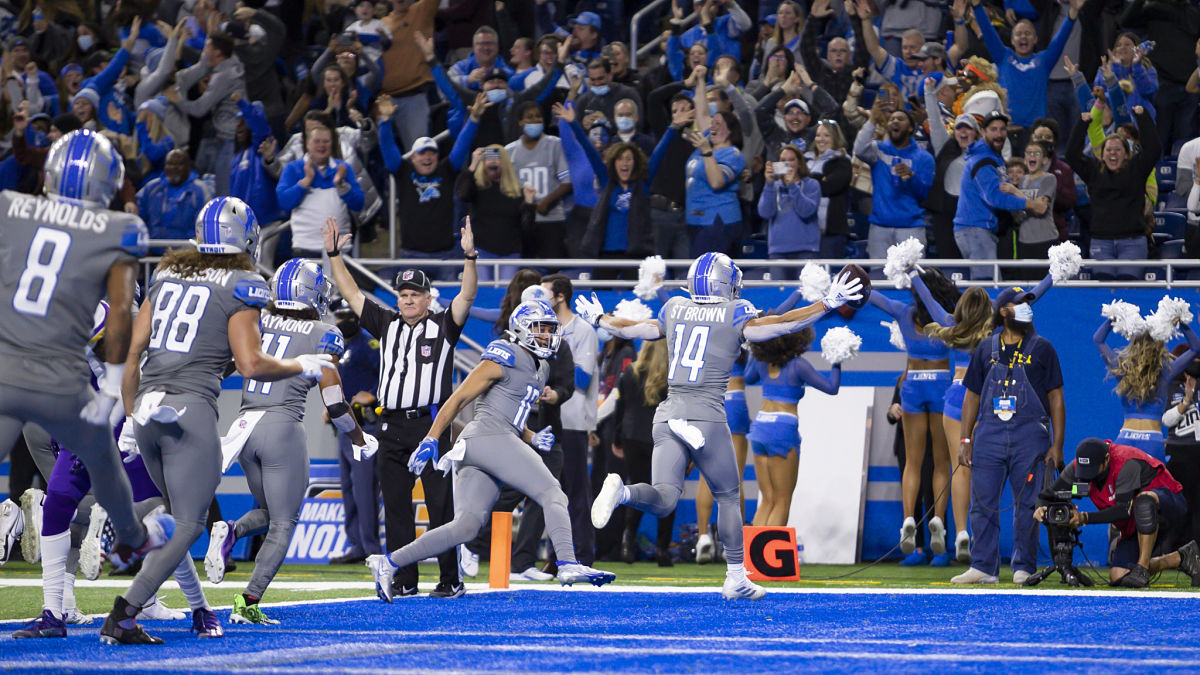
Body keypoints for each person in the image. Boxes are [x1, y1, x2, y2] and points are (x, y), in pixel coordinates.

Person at [103, 197, 336, 644]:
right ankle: (124, 609)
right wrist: (299, 365)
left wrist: (131, 417)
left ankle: (193, 606)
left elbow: (134, 351)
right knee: (188, 523)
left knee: (177, 515)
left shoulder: (167, 273)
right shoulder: (244, 283)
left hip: (149, 403)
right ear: (246, 238)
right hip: (189, 409)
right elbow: (251, 364)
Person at [585, 253, 867, 599]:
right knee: (728, 497)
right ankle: (735, 576)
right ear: (723, 282)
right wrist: (827, 303)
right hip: (706, 414)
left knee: (664, 498)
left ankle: (624, 492)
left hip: (668, 412)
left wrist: (600, 318)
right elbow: (782, 325)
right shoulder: (736, 311)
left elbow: (636, 329)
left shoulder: (675, 306)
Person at [0, 129, 171, 636]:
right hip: (84, 398)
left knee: (63, 501)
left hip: (17, 369)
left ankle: (66, 602)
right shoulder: (117, 234)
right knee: (143, 510)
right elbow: (116, 330)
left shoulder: (14, 207)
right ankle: (128, 581)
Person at [367, 300, 616, 599]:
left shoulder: (543, 366)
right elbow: (458, 398)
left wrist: (531, 437)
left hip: (491, 440)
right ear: (522, 329)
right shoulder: (505, 353)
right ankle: (567, 562)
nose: (548, 336)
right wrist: (431, 438)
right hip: (488, 437)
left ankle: (389, 562)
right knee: (553, 493)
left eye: (551, 329)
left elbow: (510, 413)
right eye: (541, 329)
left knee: (466, 527)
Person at [205, 259, 376, 625]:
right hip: (282, 427)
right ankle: (248, 602)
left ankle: (231, 530)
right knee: (285, 522)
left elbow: (226, 364)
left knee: (269, 512)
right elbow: (334, 403)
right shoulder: (323, 331)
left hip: (244, 426)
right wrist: (360, 438)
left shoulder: (257, 319)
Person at [323, 217, 476, 599]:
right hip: (390, 427)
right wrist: (333, 254)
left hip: (430, 426)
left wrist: (470, 257)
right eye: (403, 293)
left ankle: (449, 579)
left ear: (428, 298)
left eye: (415, 294)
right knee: (396, 508)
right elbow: (352, 292)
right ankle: (406, 579)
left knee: (441, 506)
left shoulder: (444, 325)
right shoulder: (386, 324)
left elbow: (468, 297)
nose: (408, 299)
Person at [953, 288, 1065, 585]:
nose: (1027, 308)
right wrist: (965, 439)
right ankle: (983, 566)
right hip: (988, 434)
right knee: (982, 501)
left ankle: (1023, 566)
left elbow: (1056, 398)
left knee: (1028, 504)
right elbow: (971, 398)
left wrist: (1057, 444)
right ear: (1004, 311)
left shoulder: (1043, 348)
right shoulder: (984, 349)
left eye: (1029, 304)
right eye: (1020, 305)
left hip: (1030, 436)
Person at [866, 268, 958, 561]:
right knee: (941, 462)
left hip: (913, 386)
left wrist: (852, 277)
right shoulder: (946, 317)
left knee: (913, 462)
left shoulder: (903, 312)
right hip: (940, 384)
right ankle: (939, 522)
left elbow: (871, 295)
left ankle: (908, 518)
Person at [1037, 438, 1200, 587]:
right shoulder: (1077, 467)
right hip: (1136, 522)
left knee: (1144, 502)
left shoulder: (1125, 462)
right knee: (1118, 576)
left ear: (1107, 459)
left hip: (1169, 505)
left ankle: (1142, 568)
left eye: (1092, 471)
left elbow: (1123, 511)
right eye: (1084, 472)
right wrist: (1040, 508)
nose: (1087, 477)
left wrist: (1083, 518)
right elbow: (1048, 495)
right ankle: (1182, 558)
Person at [745, 330, 842, 528]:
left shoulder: (762, 362)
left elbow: (748, 378)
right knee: (782, 500)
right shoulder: (799, 365)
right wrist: (837, 360)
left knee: (767, 499)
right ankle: (768, 558)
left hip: (760, 426)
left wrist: (753, 350)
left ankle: (751, 557)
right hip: (782, 428)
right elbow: (832, 387)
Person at [541, 274, 599, 569]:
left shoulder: (583, 330)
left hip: (574, 420)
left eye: (546, 294)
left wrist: (556, 356)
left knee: (576, 493)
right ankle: (557, 557)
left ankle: (583, 556)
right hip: (550, 420)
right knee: (553, 493)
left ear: (560, 297)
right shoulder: (543, 329)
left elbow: (584, 378)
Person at [1093, 303, 1200, 461]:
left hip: (1125, 439)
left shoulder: (1122, 370)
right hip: (1152, 440)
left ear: (1133, 344)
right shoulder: (1165, 372)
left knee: (1123, 485)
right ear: (1159, 346)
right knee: (1154, 486)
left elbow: (1098, 340)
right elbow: (1195, 348)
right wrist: (1181, 321)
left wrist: (1113, 317)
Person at [1066, 106, 1159, 281]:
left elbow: (1153, 149)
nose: (1113, 154)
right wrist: (1082, 124)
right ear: (1102, 154)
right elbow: (1071, 154)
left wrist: (1143, 118)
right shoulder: (1094, 171)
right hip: (1101, 242)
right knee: (1104, 287)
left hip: (1133, 242)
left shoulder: (1137, 169)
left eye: (1118, 150)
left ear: (1126, 154)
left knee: (1128, 285)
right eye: (1109, 150)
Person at [955, 111, 1050, 280]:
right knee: (986, 286)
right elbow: (995, 197)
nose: (999, 134)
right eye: (993, 129)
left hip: (979, 229)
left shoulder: (993, 157)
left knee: (987, 284)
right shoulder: (982, 161)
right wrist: (1031, 204)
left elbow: (1006, 190)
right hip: (975, 229)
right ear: (983, 132)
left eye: (1002, 129)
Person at [969, 0, 1086, 129]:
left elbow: (1060, 39)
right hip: (1008, 128)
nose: (1023, 37)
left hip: (1035, 131)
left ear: (1035, 39)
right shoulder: (1003, 56)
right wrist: (977, 6)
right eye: (1018, 34)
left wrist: (1073, 13)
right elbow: (988, 31)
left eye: (1028, 33)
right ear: (1012, 40)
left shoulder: (1044, 60)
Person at [329, 298, 382, 565]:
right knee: (349, 488)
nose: (343, 321)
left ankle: (371, 547)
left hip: (364, 425)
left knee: (364, 488)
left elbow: (384, 374)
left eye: (348, 316)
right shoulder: (341, 346)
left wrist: (371, 395)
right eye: (340, 317)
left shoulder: (368, 344)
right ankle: (357, 545)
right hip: (343, 425)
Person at [613, 339, 675, 566]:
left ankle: (627, 542)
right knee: (667, 492)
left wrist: (617, 439)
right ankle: (663, 549)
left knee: (638, 489)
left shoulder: (630, 372)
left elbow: (621, 407)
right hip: (662, 438)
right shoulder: (672, 375)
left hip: (632, 438)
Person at [165, 30, 246, 197]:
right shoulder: (232, 62)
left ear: (217, 52)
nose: (204, 50)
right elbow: (204, 63)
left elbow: (200, 109)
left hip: (230, 138)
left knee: (224, 192)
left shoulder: (222, 77)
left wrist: (177, 100)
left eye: (207, 46)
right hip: (232, 135)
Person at [276, 115, 364, 260]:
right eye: (316, 141)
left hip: (340, 250)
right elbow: (284, 202)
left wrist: (341, 185)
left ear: (332, 144)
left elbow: (359, 204)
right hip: (305, 249)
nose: (321, 146)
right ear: (307, 143)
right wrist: (306, 181)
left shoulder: (343, 168)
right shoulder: (294, 168)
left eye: (326, 141)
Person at [681, 65, 746, 258]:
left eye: (718, 123)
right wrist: (701, 80)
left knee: (708, 277)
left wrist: (708, 153)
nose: (712, 126)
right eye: (712, 122)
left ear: (730, 130)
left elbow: (717, 182)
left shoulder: (732, 154)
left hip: (718, 221)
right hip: (696, 220)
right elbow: (701, 112)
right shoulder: (707, 141)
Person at [853, 109, 935, 261]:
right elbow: (859, 150)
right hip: (879, 228)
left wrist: (911, 177)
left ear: (911, 128)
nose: (895, 121)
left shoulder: (924, 158)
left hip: (911, 229)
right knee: (879, 277)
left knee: (912, 279)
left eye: (900, 119)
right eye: (891, 119)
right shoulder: (878, 150)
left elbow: (925, 195)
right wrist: (872, 120)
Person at [506, 100, 572, 260]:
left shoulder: (555, 144)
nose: (535, 120)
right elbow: (506, 188)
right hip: (522, 222)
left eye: (538, 117)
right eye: (529, 117)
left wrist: (546, 202)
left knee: (553, 272)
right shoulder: (509, 151)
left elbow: (568, 182)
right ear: (520, 122)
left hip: (552, 220)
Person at [759, 143, 822, 281]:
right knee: (779, 295)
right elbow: (764, 212)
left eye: (791, 159)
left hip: (806, 250)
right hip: (778, 252)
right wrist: (769, 184)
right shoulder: (773, 187)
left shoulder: (812, 185)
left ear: (799, 164)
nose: (787, 164)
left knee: (806, 296)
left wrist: (792, 186)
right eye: (783, 161)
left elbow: (807, 211)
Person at [135, 148, 209, 244]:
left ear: (188, 167)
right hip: (152, 248)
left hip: (186, 251)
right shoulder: (151, 188)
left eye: (179, 164)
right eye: (170, 164)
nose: (174, 167)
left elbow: (204, 226)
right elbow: (138, 219)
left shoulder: (200, 190)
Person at [807, 119, 853, 259]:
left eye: (826, 135)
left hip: (831, 232)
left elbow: (828, 188)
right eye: (818, 135)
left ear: (835, 138)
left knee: (829, 276)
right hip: (805, 232)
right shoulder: (804, 160)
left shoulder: (842, 162)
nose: (821, 139)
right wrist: (820, 178)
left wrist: (810, 178)